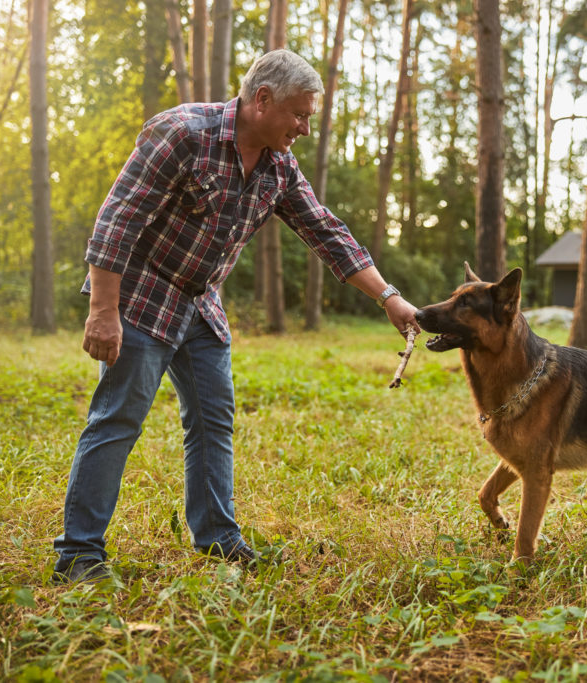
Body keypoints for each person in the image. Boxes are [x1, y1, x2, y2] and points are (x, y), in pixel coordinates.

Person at [52, 49, 420, 584]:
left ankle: (218, 539)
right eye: (299, 114)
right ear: (262, 99)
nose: (304, 127)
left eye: (309, 117)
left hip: (201, 302)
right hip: (144, 294)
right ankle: (78, 555)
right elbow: (118, 219)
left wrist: (388, 296)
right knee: (117, 419)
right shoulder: (183, 133)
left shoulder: (278, 165)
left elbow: (325, 231)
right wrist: (103, 311)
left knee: (213, 419)